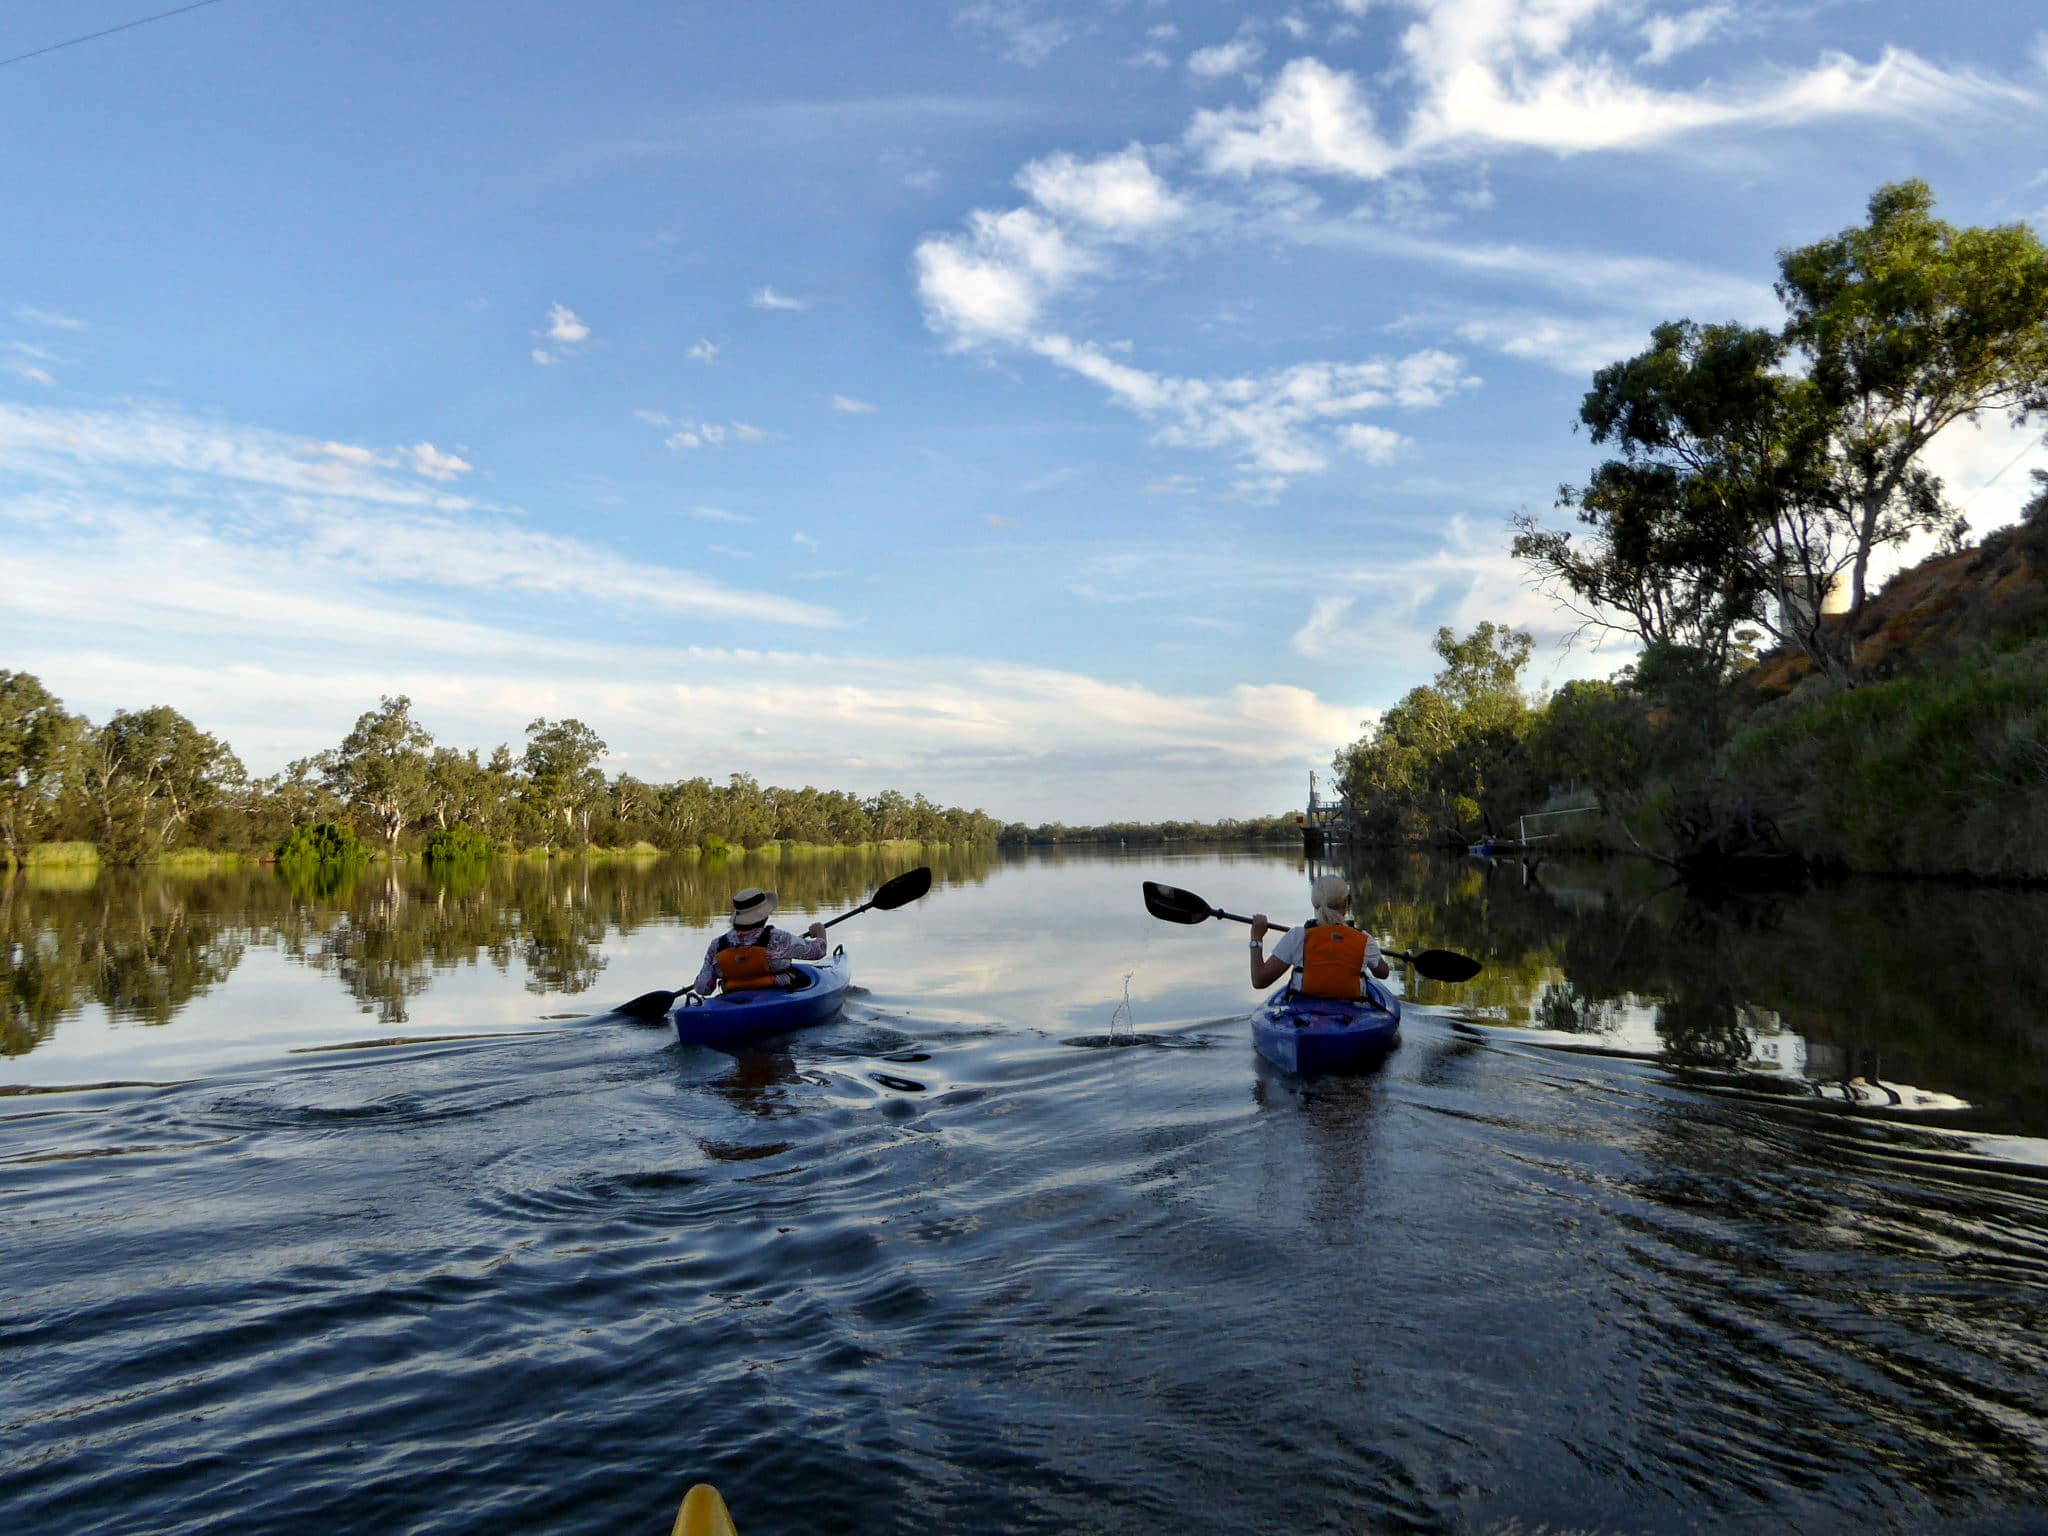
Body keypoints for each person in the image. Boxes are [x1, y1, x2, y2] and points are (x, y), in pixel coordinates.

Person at [1248, 873, 1389, 997]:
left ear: (1314, 903)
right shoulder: (1364, 940)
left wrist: (1256, 938)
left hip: (1304, 1019)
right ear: (1346, 903)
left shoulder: (1297, 937)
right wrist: (1373, 952)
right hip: (1351, 1019)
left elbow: (1259, 981)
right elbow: (1383, 973)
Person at [689, 887, 829, 998]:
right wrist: (820, 931)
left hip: (733, 1000)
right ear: (764, 916)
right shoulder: (777, 939)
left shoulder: (717, 945)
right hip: (776, 998)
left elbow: (703, 988)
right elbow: (818, 951)